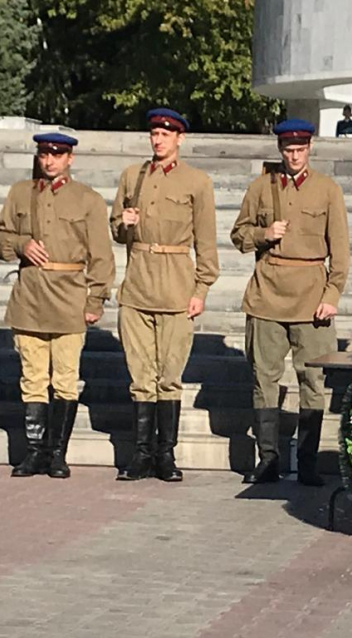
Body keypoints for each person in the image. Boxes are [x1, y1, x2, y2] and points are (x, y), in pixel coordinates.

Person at [231, 118, 350, 486]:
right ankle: (268, 459)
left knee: (312, 379)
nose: (294, 156)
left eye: (300, 150)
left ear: (310, 149)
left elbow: (341, 253)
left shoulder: (327, 190)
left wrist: (331, 296)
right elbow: (238, 234)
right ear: (280, 150)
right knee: (263, 377)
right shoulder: (261, 187)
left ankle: (308, 461)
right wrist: (263, 234)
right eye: (288, 150)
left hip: (311, 298)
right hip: (267, 294)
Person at [110, 108, 220, 482]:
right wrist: (122, 225)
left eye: (166, 134)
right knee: (140, 376)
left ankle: (165, 455)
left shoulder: (196, 181)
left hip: (176, 289)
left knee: (169, 376)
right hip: (138, 288)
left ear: (179, 139)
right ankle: (141, 454)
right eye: (154, 133)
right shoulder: (132, 177)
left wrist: (201, 288)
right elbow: (116, 229)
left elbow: (206, 242)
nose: (158, 140)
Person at [1, 133, 114, 479]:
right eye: (44, 154)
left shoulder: (87, 199)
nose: (48, 160)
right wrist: (22, 244)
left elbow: (101, 256)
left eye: (57, 154)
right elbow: (3, 238)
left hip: (69, 298)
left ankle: (56, 455)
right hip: (30, 297)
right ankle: (34, 453)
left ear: (70, 158)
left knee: (65, 379)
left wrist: (95, 299)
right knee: (32, 379)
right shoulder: (21, 193)